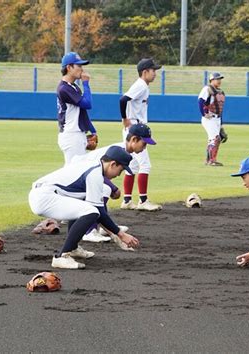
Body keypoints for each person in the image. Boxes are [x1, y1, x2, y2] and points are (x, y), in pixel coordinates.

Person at [29, 146, 140, 270]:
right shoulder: (95, 173)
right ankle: (62, 256)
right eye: (121, 170)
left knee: (84, 205)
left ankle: (72, 248)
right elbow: (99, 212)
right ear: (113, 164)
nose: (119, 174)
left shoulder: (93, 166)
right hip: (44, 197)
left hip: (43, 193)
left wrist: (114, 234)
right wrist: (120, 234)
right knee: (91, 211)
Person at [73, 123, 156, 244]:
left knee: (103, 190)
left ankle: (101, 226)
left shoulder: (123, 151)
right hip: (77, 174)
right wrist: (113, 188)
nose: (144, 147)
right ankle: (90, 231)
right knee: (105, 189)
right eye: (144, 143)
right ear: (134, 139)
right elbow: (97, 172)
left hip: (83, 175)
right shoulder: (117, 150)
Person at [119, 58, 162, 211]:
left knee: (133, 165)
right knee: (145, 165)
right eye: (153, 70)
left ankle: (127, 200)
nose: (155, 73)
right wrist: (125, 119)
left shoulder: (143, 86)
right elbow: (123, 99)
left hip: (134, 127)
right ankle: (143, 200)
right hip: (135, 128)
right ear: (145, 72)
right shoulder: (140, 85)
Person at [57, 52, 97, 165]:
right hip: (71, 135)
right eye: (78, 66)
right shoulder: (64, 88)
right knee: (73, 173)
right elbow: (87, 104)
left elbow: (82, 112)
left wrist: (93, 130)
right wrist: (85, 84)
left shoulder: (73, 86)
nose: (82, 69)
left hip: (76, 134)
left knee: (76, 172)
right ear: (69, 67)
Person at [198, 72, 226, 166]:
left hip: (217, 119)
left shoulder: (220, 92)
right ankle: (211, 160)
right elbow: (200, 101)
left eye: (220, 79)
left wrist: (221, 125)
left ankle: (209, 160)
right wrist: (204, 114)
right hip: (209, 118)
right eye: (217, 79)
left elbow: (220, 109)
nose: (219, 81)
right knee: (215, 138)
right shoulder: (207, 89)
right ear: (211, 80)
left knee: (215, 139)